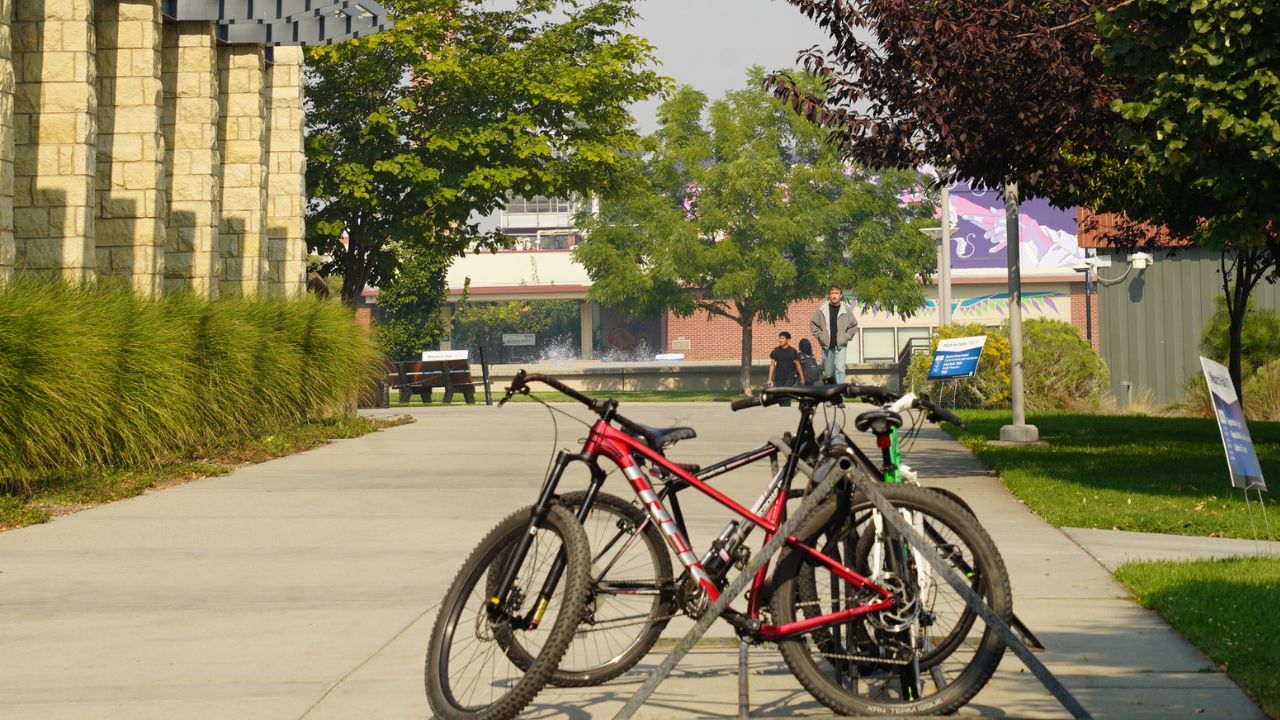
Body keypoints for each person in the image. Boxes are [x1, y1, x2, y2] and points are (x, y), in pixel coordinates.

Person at [809, 285, 859, 383]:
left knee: (840, 370)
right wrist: (820, 336)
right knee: (828, 373)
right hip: (827, 346)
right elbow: (813, 324)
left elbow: (854, 325)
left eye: (836, 293)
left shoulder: (846, 309)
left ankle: (840, 395)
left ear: (840, 295)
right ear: (829, 295)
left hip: (840, 346)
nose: (834, 296)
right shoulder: (822, 309)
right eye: (832, 293)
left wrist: (846, 337)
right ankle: (830, 394)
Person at [767, 331, 804, 406]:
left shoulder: (792, 351)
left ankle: (786, 408)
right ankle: (782, 413)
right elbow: (772, 365)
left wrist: (802, 377)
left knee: (786, 394)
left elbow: (798, 365)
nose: (780, 340)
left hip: (789, 377)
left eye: (783, 338)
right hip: (778, 377)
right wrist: (769, 379)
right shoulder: (775, 351)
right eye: (780, 338)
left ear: (788, 340)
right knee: (779, 396)